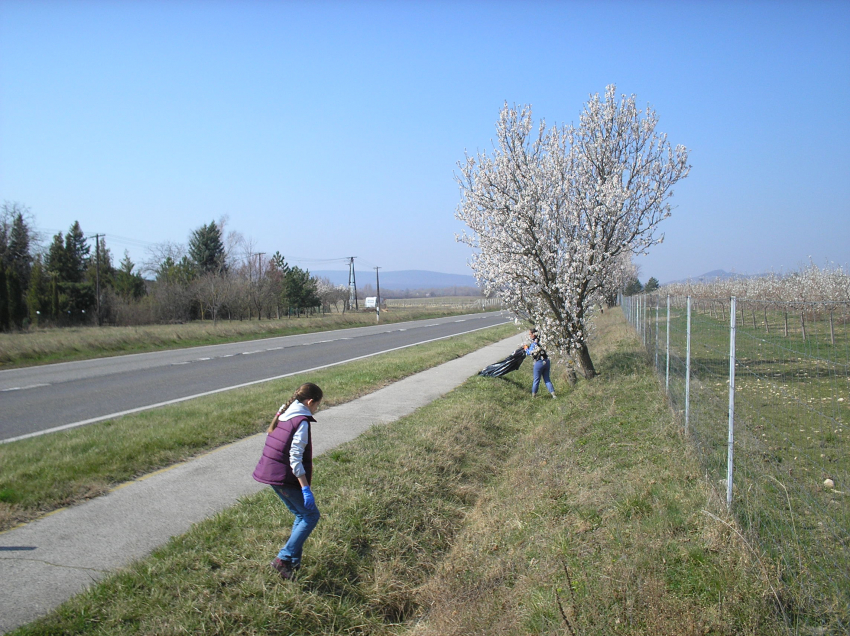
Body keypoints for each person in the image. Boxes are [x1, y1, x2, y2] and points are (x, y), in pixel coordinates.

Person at [252, 382, 324, 580]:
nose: (316, 409)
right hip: (282, 476)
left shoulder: (285, 413)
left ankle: (292, 562)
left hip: (273, 474)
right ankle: (282, 559)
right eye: (317, 405)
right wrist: (305, 488)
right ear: (310, 402)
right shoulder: (300, 421)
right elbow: (295, 458)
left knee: (301, 515)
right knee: (311, 516)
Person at [524, 329, 556, 399]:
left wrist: (526, 348)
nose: (529, 336)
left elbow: (530, 352)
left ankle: (533, 395)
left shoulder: (534, 343)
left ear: (533, 334)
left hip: (539, 363)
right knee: (547, 379)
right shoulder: (542, 341)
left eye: (530, 334)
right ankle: (553, 394)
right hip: (546, 361)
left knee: (536, 380)